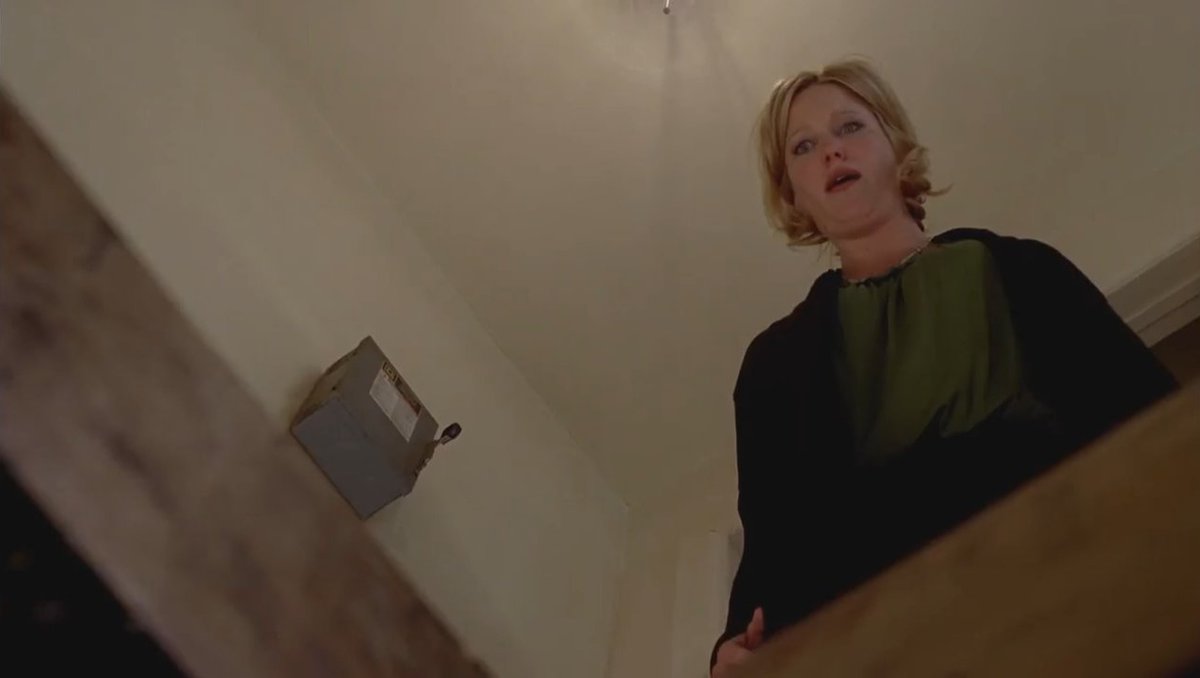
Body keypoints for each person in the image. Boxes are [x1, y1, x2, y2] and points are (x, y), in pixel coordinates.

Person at [709, 60, 1178, 678]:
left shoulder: (1025, 269)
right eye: (803, 146)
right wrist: (731, 648)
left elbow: (1149, 413)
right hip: (894, 643)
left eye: (850, 127)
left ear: (894, 145)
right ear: (791, 192)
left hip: (1091, 589)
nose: (831, 152)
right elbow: (771, 544)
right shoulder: (772, 366)